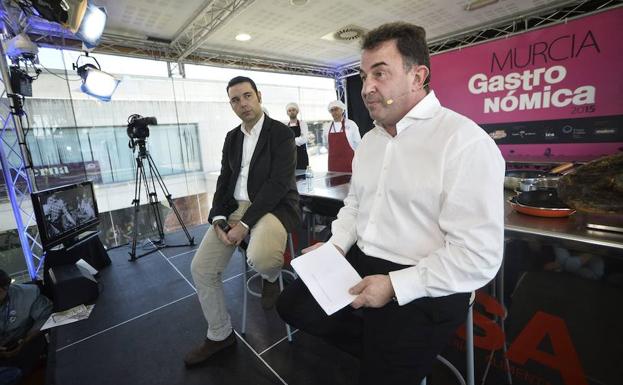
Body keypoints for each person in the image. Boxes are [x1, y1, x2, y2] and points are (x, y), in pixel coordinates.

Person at [277, 22, 505, 384]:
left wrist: (397, 286)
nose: (367, 88)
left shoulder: (464, 143)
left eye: (380, 74)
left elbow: (478, 257)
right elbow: (355, 205)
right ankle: (381, 354)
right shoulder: (370, 142)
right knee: (292, 306)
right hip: (364, 259)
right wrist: (336, 246)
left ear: (418, 77)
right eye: (365, 75)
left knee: (381, 371)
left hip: (426, 280)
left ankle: (388, 361)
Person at [184, 76, 300, 367]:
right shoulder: (232, 137)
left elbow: (277, 185)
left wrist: (244, 225)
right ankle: (220, 334)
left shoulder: (281, 134)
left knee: (260, 257)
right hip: (235, 208)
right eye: (235, 99)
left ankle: (271, 277)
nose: (242, 103)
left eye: (247, 96)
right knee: (201, 269)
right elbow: (225, 180)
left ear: (259, 96)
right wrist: (219, 218)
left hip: (273, 206)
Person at [0, 269, 52, 379]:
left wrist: (25, 341)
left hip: (22, 348)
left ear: (6, 286)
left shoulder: (28, 294)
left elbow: (45, 315)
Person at [323, 100, 361, 172]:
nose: (334, 112)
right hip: (333, 163)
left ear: (342, 110)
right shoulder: (327, 127)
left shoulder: (351, 124)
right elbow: (326, 144)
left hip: (349, 161)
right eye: (332, 110)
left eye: (336, 109)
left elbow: (358, 143)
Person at [286, 102, 310, 170]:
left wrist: (290, 141)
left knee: (303, 177)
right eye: (289, 110)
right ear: (287, 113)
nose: (291, 112)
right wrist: (298, 139)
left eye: (293, 110)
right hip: (290, 156)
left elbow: (304, 139)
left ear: (297, 111)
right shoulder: (286, 127)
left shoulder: (303, 124)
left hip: (302, 155)